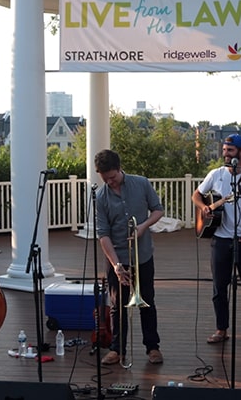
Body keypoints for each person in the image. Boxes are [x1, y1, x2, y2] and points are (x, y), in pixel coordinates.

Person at [192, 134, 241, 345]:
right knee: (219, 287)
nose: (225, 154)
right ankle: (221, 329)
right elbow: (196, 195)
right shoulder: (215, 174)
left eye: (230, 151)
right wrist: (204, 208)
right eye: (224, 150)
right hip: (220, 239)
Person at [94, 149, 164, 366]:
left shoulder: (141, 183)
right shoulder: (101, 197)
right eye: (106, 179)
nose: (110, 183)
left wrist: (142, 227)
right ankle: (117, 349)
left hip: (142, 255)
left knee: (147, 302)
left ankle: (152, 347)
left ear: (119, 169)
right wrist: (115, 265)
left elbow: (158, 210)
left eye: (113, 177)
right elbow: (103, 234)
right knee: (117, 305)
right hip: (117, 257)